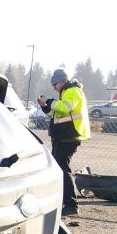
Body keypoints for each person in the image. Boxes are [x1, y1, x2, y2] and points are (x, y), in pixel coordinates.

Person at [38, 68, 90, 216]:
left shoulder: (73, 90)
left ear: (62, 81)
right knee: (59, 168)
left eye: (55, 85)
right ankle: (64, 201)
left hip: (69, 137)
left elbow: (65, 108)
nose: (54, 88)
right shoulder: (66, 92)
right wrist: (44, 106)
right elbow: (56, 113)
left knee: (62, 169)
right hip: (63, 137)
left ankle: (70, 204)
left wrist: (49, 101)